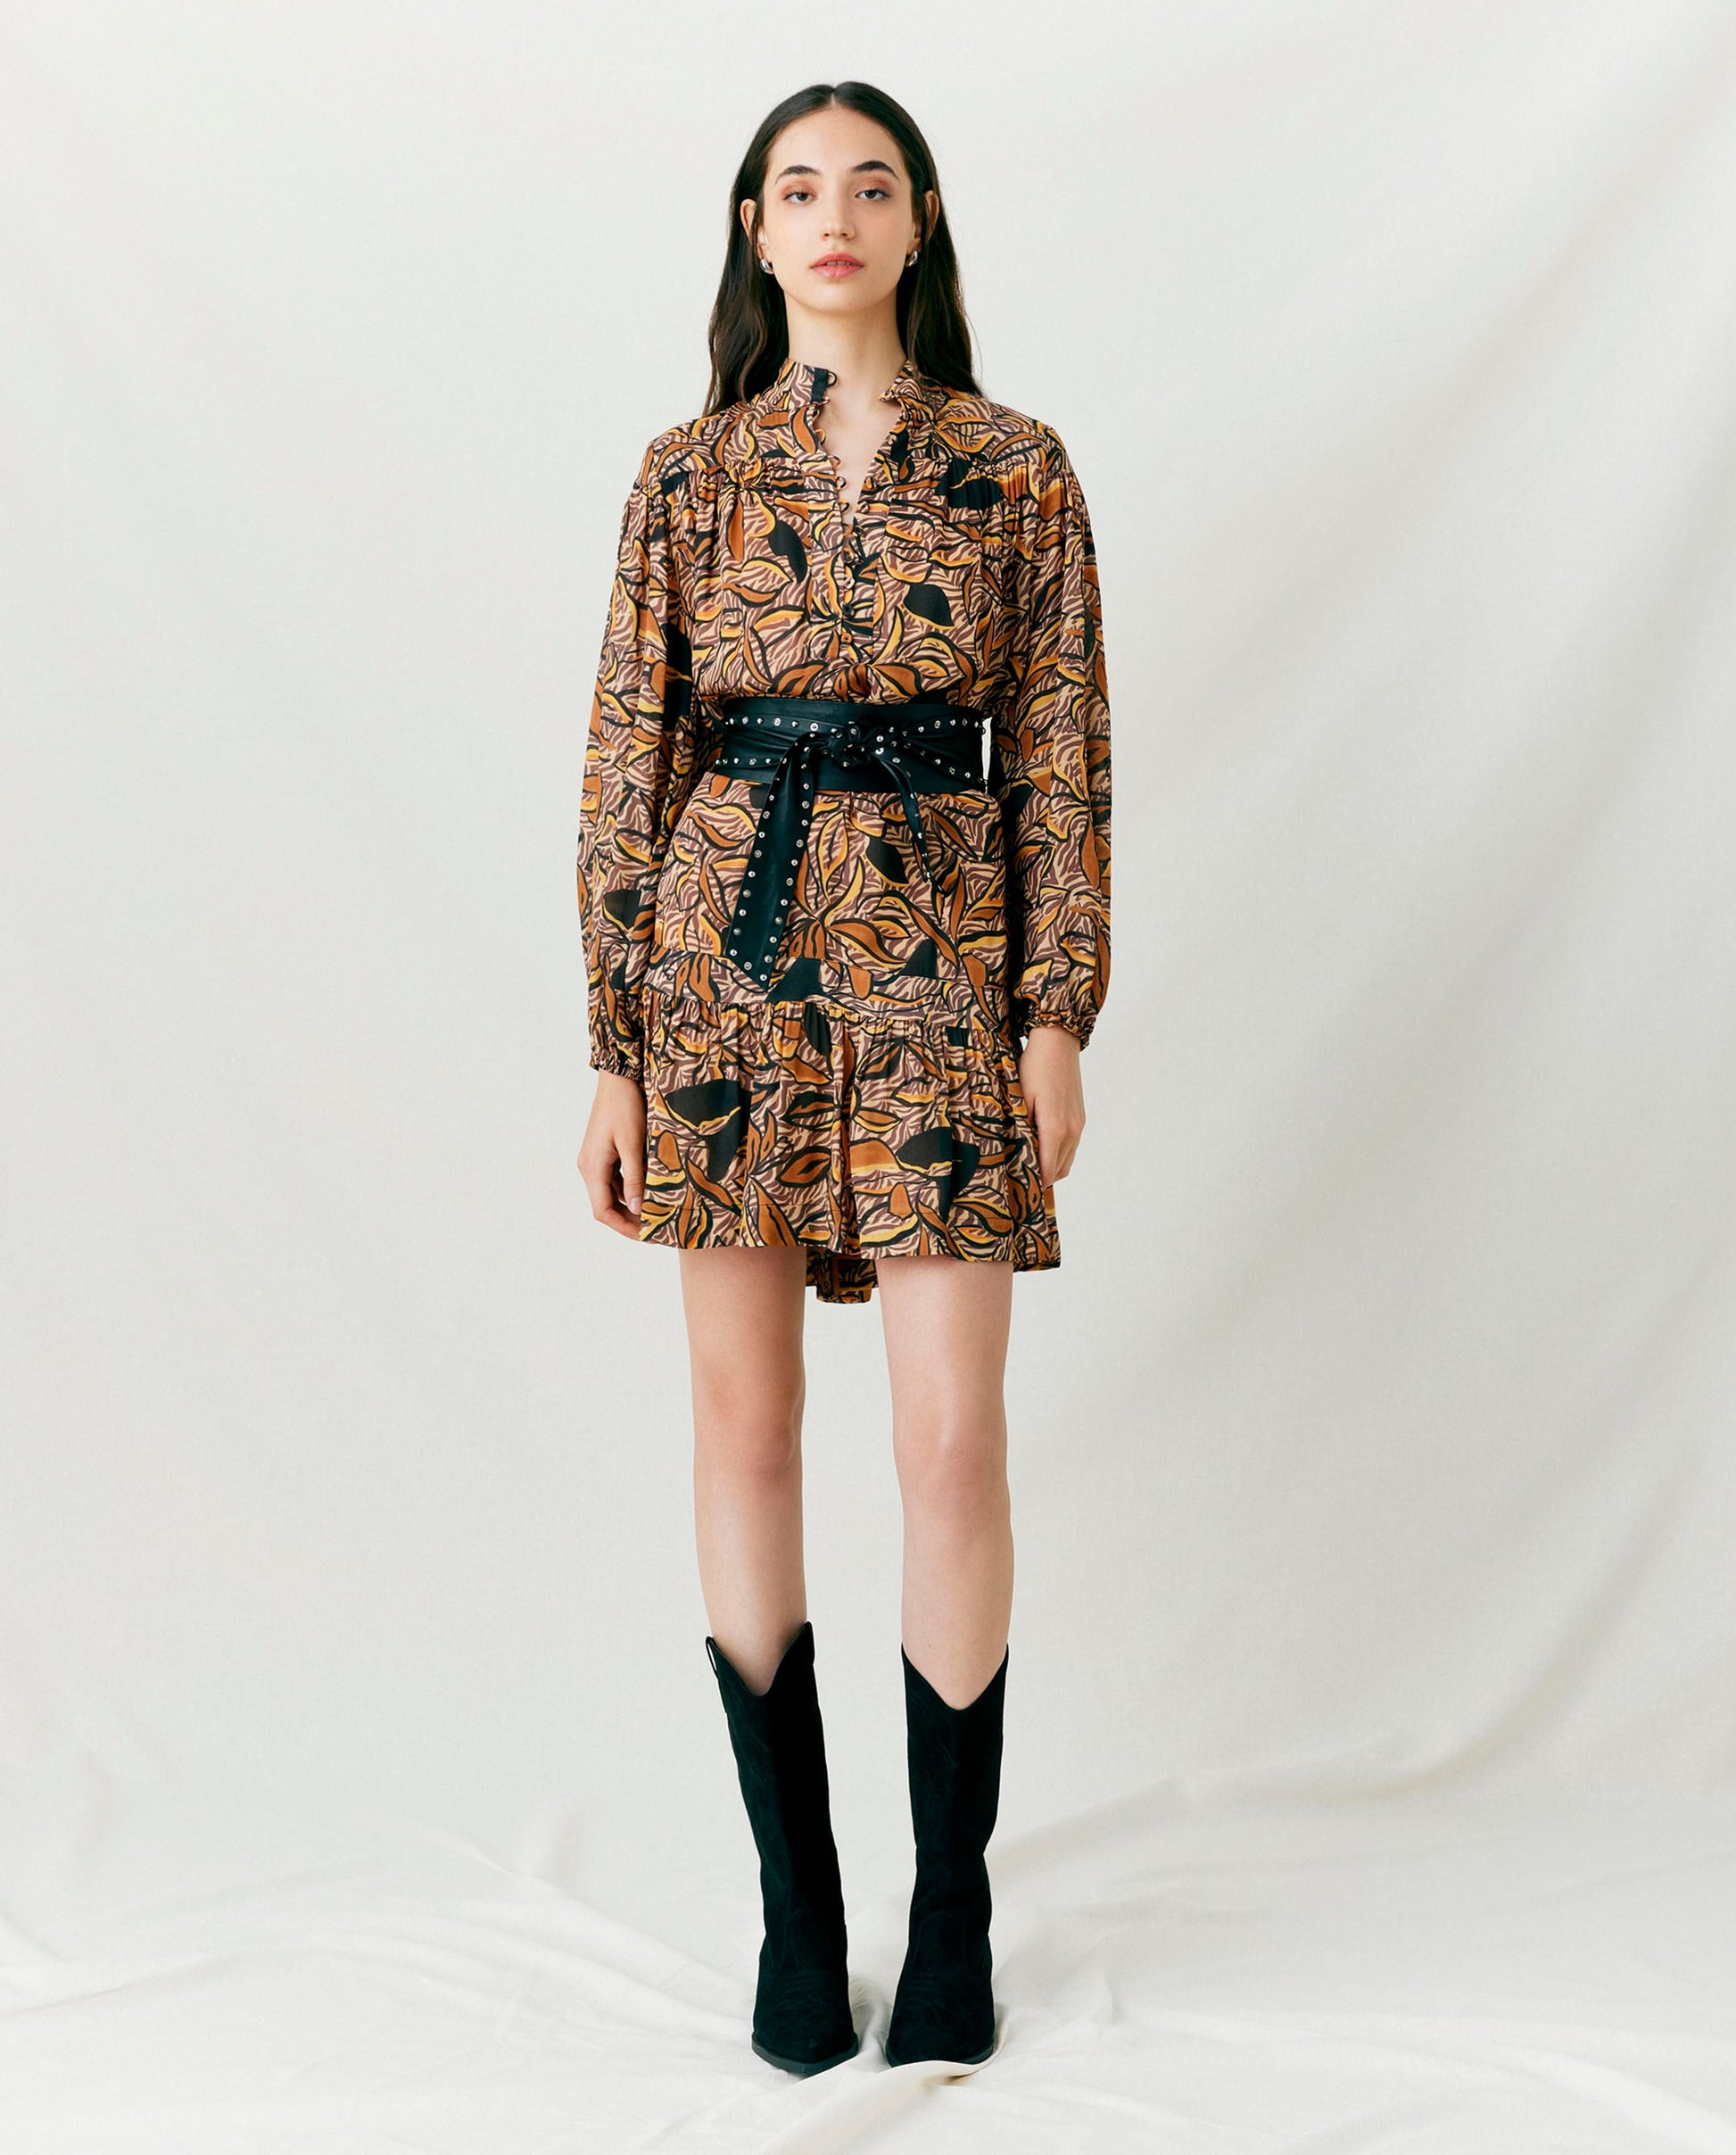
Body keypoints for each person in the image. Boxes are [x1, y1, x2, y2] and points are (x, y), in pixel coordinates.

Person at [575, 80, 1111, 2076]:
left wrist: (1054, 1013)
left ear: (920, 218)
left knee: (950, 1441)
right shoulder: (686, 476)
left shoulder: (1015, 468)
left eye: (868, 186)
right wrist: (614, 1047)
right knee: (744, 1426)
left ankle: (947, 1912)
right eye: (797, 187)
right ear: (752, 225)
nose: (833, 216)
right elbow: (624, 759)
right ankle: (799, 1917)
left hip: (942, 973)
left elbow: (1060, 752)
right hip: (719, 968)